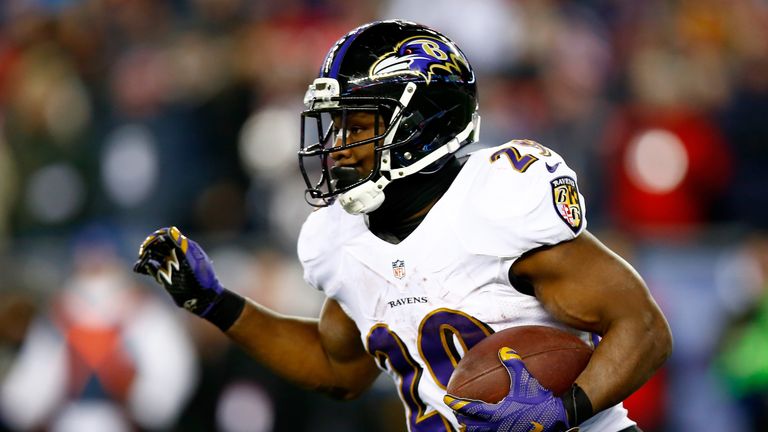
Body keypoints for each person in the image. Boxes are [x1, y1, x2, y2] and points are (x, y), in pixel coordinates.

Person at [133, 20, 672, 432]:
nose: (340, 144)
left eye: (360, 123)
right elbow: (338, 366)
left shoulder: (496, 202)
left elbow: (643, 328)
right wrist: (217, 305)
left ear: (426, 124)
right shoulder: (339, 238)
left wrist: (559, 411)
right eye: (338, 123)